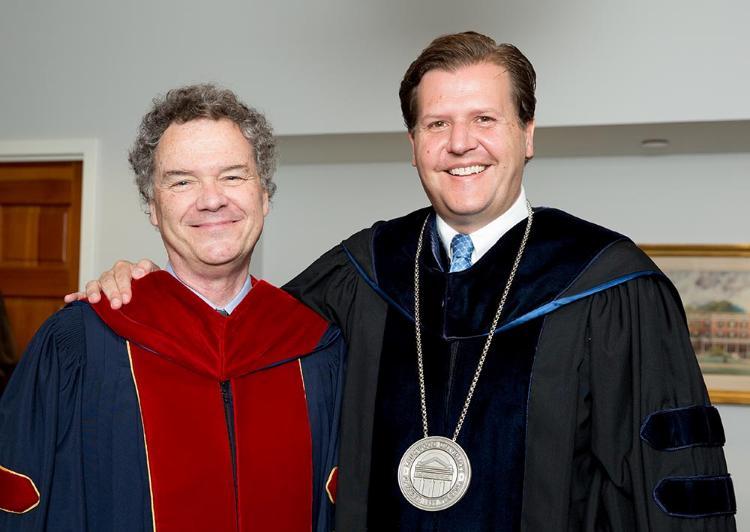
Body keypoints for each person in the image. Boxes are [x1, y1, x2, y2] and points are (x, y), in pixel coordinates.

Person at [67, 33, 736, 531]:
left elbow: (672, 492)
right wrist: (148, 285)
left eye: (484, 120)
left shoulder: (613, 287)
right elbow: (235, 337)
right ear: (413, 142)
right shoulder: (364, 271)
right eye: (436, 123)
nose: (460, 143)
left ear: (527, 133)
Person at [0, 85, 345, 531]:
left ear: (265, 195)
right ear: (153, 208)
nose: (211, 198)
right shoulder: (80, 345)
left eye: (233, 176)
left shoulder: (318, 348)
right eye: (182, 181)